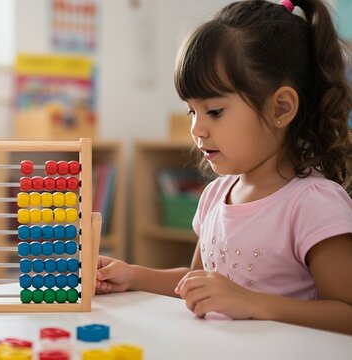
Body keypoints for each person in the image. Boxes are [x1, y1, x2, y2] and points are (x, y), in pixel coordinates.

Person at [97, 0, 352, 335]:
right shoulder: (216, 195)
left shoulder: (313, 203)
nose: (197, 129)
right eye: (192, 111)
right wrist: (134, 275)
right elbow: (198, 283)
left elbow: (346, 313)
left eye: (214, 111)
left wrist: (251, 302)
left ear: (281, 108)